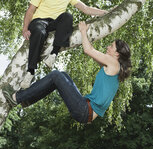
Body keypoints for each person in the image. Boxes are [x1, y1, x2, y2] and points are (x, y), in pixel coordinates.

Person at [2, 21, 131, 124]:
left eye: (111, 46)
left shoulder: (114, 63)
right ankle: (28, 100)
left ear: (117, 54)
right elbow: (92, 53)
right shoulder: (113, 66)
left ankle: (16, 98)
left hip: (85, 110)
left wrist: (83, 31)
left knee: (56, 75)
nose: (108, 47)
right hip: (85, 109)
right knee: (62, 76)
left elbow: (88, 50)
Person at [21, 0, 108, 89]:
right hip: (39, 22)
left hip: (55, 22)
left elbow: (86, 9)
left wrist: (106, 12)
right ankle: (30, 72)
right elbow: (30, 10)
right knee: (40, 32)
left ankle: (53, 54)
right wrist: (25, 28)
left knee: (68, 16)